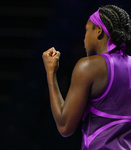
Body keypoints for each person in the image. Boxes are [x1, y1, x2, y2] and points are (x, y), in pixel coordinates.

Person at [42, 5, 131, 149]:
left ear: (99, 31)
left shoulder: (88, 67)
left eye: (87, 30)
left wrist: (50, 73)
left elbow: (65, 126)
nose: (84, 38)